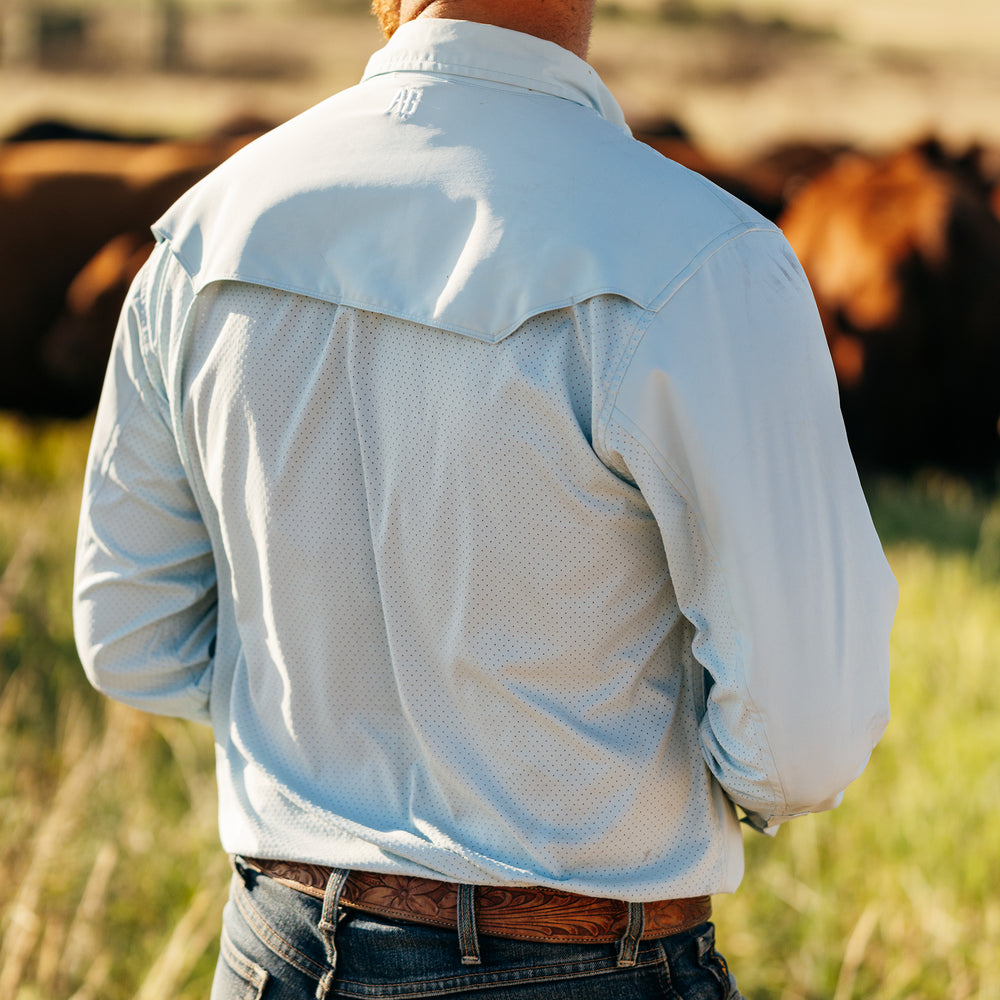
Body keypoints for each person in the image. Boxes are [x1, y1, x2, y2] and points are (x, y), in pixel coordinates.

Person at [73, 0, 897, 997]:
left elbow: (130, 635)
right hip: (585, 959)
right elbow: (802, 746)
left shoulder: (207, 235)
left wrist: (323, 720)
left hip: (281, 950)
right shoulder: (705, 262)